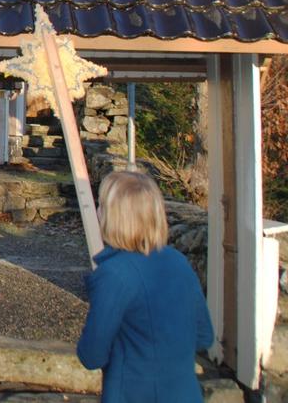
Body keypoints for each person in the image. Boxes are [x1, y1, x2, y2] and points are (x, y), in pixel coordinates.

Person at [77, 169, 214, 402]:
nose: (98, 212)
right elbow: (204, 335)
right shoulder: (179, 262)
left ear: (114, 216)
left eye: (101, 205)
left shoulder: (114, 275)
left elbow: (92, 354)